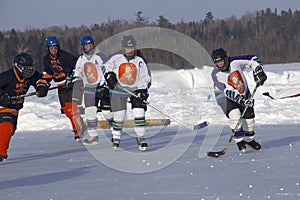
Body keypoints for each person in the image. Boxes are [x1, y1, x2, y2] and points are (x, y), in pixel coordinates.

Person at [210, 48, 267, 152]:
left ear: (226, 58)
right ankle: (239, 140)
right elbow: (226, 90)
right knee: (235, 115)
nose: (220, 64)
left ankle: (249, 140)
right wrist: (240, 100)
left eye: (221, 61)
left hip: (242, 91)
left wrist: (258, 70)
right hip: (224, 97)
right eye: (217, 63)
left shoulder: (235, 62)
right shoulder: (216, 75)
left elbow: (253, 59)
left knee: (249, 118)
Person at [104, 35, 151, 151]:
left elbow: (146, 77)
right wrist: (110, 76)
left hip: (135, 89)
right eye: (127, 48)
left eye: (131, 48)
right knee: (119, 114)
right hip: (120, 90)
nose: (129, 50)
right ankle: (116, 137)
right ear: (123, 48)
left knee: (139, 111)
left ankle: (140, 137)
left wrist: (142, 90)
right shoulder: (116, 59)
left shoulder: (140, 61)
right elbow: (105, 68)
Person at [0, 52, 49, 162]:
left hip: (15, 109)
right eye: (26, 68)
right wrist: (2, 96)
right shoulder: (7, 76)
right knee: (6, 127)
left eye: (31, 67)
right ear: (17, 67)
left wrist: (41, 87)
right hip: (2, 108)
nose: (29, 70)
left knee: (10, 131)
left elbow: (40, 80)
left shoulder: (30, 76)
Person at [70, 35, 112, 145]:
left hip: (101, 87)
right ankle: (93, 136)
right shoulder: (81, 59)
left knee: (107, 112)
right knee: (90, 112)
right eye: (86, 46)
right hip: (89, 88)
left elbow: (107, 70)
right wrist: (76, 78)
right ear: (83, 47)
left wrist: (105, 84)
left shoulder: (100, 56)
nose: (89, 48)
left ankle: (116, 131)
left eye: (90, 45)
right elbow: (78, 71)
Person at [42, 36, 86, 142]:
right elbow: (47, 74)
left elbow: (77, 68)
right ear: (48, 49)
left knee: (73, 109)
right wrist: (43, 85)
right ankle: (81, 125)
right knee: (66, 110)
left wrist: (72, 79)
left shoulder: (66, 56)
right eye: (51, 48)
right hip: (60, 87)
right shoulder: (46, 59)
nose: (54, 50)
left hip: (71, 86)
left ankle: (78, 129)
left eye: (55, 48)